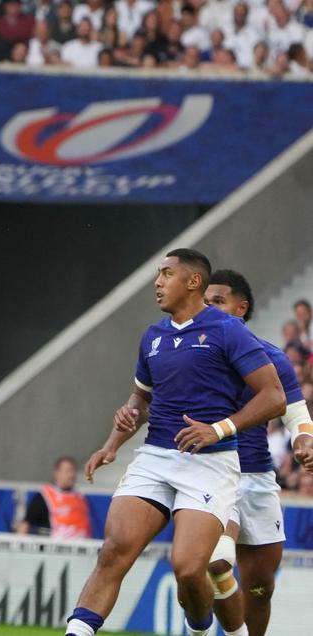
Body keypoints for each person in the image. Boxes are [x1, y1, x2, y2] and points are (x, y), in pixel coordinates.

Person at [71, 249, 286, 636]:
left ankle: (202, 627)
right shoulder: (152, 337)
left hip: (210, 462)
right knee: (113, 553)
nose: (157, 282)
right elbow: (141, 399)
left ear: (193, 282)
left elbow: (274, 397)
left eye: (166, 273)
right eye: (157, 274)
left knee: (189, 569)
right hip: (154, 457)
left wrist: (218, 429)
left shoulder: (226, 330)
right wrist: (113, 442)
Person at [201, 270, 313, 636]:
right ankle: (201, 628)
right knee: (217, 561)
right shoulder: (196, 355)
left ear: (241, 308)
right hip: (213, 474)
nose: (209, 308)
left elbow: (297, 413)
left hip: (259, 478)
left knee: (260, 587)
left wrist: (304, 440)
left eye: (217, 301)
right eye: (205, 301)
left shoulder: (270, 357)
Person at [17, 456, 91, 538]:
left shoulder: (80, 496)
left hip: (82, 546)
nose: (71, 475)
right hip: (55, 547)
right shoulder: (45, 496)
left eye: (73, 471)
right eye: (68, 471)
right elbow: (25, 524)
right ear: (57, 473)